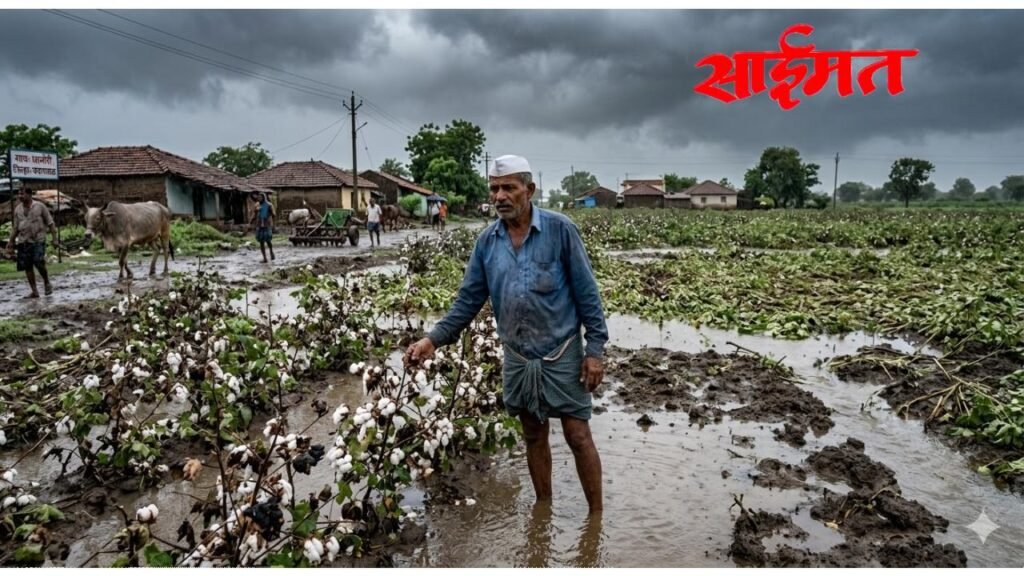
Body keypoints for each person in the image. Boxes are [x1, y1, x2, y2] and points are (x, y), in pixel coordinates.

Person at [404, 155, 609, 514]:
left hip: (563, 353)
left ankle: (596, 518)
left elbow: (587, 295)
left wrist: (594, 351)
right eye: (495, 188)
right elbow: (468, 301)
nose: (500, 195)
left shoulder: (561, 231)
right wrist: (431, 339)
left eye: (509, 188)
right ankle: (543, 510)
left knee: (578, 435)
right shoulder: (487, 242)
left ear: (529, 190)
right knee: (533, 434)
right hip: (518, 357)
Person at [5, 186, 58, 299]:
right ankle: (34, 291)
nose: (20, 196)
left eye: (22, 194)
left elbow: (50, 223)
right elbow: (15, 228)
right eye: (18, 194)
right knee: (27, 267)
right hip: (24, 241)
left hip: (38, 239)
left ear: (29, 195)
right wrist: (11, 241)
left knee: (39, 261)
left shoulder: (40, 206)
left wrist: (54, 239)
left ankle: (47, 282)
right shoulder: (18, 209)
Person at [249, 193, 275, 263]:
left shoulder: (269, 205)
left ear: (264, 198)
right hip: (259, 225)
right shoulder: (257, 205)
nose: (259, 199)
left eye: (261, 197)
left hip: (267, 225)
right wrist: (250, 222)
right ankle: (265, 258)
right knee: (261, 242)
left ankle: (271, 252)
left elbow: (273, 214)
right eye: (258, 198)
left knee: (268, 240)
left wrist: (270, 212)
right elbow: (254, 215)